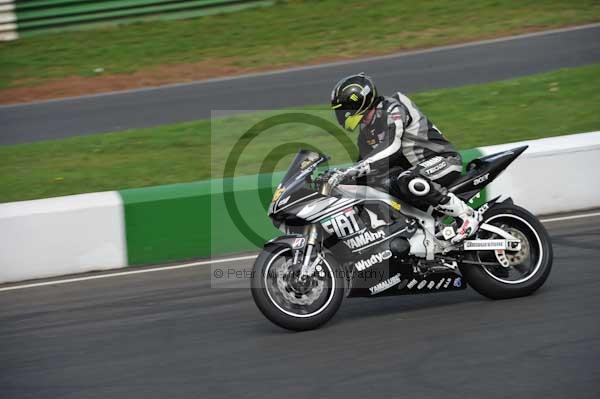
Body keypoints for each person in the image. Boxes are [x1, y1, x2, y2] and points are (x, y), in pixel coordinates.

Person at [330, 72, 480, 244]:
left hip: (443, 160)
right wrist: (338, 180)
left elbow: (391, 147)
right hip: (418, 170)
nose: (342, 115)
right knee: (378, 186)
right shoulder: (366, 133)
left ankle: (467, 215)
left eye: (344, 109)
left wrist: (357, 168)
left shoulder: (393, 108)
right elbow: (362, 168)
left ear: (359, 102)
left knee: (408, 179)